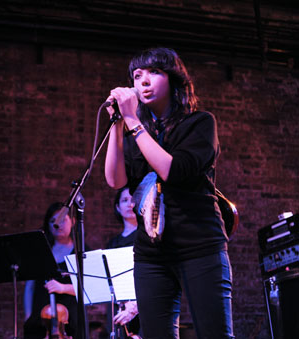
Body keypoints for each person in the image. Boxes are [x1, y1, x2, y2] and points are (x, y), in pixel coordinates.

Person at [104, 47, 234, 338]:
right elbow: (115, 180)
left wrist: (133, 122)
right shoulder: (135, 133)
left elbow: (172, 171)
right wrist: (117, 125)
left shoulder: (199, 124)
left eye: (153, 72)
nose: (144, 82)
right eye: (137, 76)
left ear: (173, 79)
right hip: (151, 253)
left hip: (199, 244)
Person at [23, 202, 80, 339]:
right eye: (53, 221)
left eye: (62, 220)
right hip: (40, 320)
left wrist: (63, 287)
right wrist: (28, 315)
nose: (57, 225)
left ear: (72, 221)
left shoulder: (81, 252)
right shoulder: (40, 250)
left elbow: (89, 289)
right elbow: (29, 287)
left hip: (69, 322)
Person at [105, 187, 140, 339]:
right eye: (124, 200)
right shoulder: (113, 243)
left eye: (133, 200)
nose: (130, 204)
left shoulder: (145, 237)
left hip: (141, 301)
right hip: (118, 304)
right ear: (117, 208)